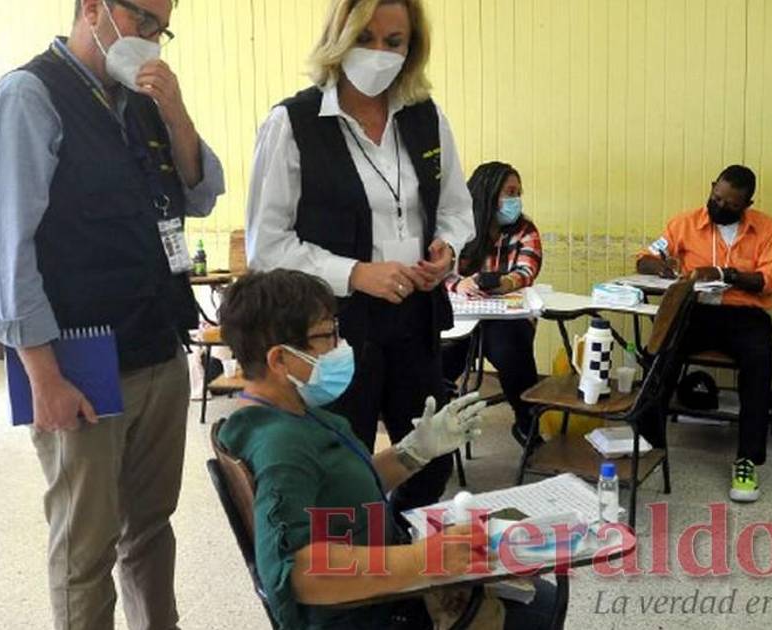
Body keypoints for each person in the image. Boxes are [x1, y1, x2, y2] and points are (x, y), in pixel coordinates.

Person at [0, 0, 225, 627]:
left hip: (158, 345)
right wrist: (43, 378)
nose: (152, 38)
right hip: (79, 364)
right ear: (93, 9)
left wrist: (176, 111)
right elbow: (7, 254)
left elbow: (201, 194)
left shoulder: (142, 102)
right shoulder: (28, 98)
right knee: (86, 549)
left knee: (151, 528)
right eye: (143, 21)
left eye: (162, 28)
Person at [217, 269, 560, 630]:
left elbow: (339, 489)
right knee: (541, 605)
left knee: (532, 591)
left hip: (382, 583)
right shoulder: (280, 445)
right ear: (279, 360)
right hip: (371, 612)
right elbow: (298, 573)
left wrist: (413, 451)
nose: (340, 345)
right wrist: (422, 559)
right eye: (327, 335)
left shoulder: (288, 414)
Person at [246, 0, 475, 513]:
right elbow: (268, 245)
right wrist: (354, 273)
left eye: (394, 42)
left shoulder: (426, 117)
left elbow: (456, 209)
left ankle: (397, 540)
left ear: (411, 49)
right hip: (334, 329)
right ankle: (359, 550)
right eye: (364, 38)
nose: (377, 53)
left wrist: (448, 249)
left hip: (415, 318)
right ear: (339, 39)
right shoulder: (293, 123)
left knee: (431, 459)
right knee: (343, 465)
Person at [635, 165, 772, 503]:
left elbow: (767, 281)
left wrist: (725, 275)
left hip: (745, 315)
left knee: (760, 362)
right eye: (716, 197)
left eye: (730, 204)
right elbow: (644, 258)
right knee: (659, 354)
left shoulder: (766, 228)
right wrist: (661, 267)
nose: (720, 206)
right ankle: (648, 443)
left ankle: (747, 460)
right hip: (694, 311)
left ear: (747, 204)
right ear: (713, 187)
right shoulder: (684, 223)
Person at [442, 162, 543, 446]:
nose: (516, 200)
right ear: (488, 193)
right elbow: (439, 271)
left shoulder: (525, 230)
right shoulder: (459, 229)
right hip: (462, 316)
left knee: (510, 351)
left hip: (505, 318)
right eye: (509, 192)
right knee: (440, 360)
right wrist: (460, 283)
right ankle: (437, 432)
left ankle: (527, 426)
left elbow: (527, 270)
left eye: (518, 193)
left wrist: (505, 282)